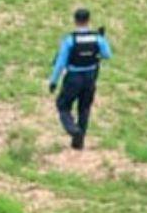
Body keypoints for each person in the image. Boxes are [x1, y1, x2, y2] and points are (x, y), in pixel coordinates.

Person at [48, 9, 112, 150]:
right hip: (90, 77)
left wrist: (53, 81)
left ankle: (73, 130)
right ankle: (79, 142)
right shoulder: (97, 38)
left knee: (63, 106)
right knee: (84, 108)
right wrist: (102, 38)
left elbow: (60, 63)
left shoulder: (70, 40)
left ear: (75, 20)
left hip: (73, 78)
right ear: (89, 20)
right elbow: (107, 55)